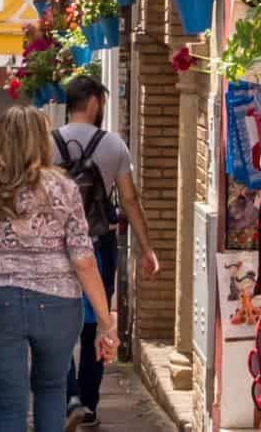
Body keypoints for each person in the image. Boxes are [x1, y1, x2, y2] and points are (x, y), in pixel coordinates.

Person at [0, 105, 118, 432]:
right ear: (42, 141)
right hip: (58, 305)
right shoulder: (64, 187)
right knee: (52, 391)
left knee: (9, 404)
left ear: (2, 140)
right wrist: (105, 322)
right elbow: (83, 260)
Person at [53, 74, 160, 431]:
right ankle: (90, 403)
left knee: (59, 323)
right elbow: (129, 199)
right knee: (97, 321)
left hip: (56, 247)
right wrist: (146, 248)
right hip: (99, 243)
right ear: (96, 102)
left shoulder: (47, 144)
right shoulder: (113, 146)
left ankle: (68, 397)